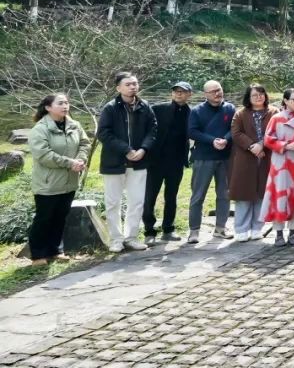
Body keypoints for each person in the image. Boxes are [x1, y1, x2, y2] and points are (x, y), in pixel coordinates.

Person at [97, 72, 157, 252]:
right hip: (114, 162)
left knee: (137, 201)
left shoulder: (145, 106)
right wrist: (126, 150)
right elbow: (103, 133)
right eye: (128, 84)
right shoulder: (110, 108)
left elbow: (153, 130)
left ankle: (131, 237)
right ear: (118, 88)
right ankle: (116, 239)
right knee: (113, 202)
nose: (132, 87)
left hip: (139, 161)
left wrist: (143, 149)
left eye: (135, 84)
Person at [27, 94, 90, 265]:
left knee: (60, 217)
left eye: (67, 103)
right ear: (48, 107)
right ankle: (38, 255)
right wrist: (70, 163)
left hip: (70, 181)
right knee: (44, 218)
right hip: (48, 183)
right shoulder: (40, 129)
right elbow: (44, 155)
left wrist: (81, 160)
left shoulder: (74, 125)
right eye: (60, 103)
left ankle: (55, 250)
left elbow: (85, 144)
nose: (65, 106)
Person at [261, 88, 294, 246]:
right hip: (280, 163)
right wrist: (285, 145)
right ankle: (278, 233)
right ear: (285, 101)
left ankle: (292, 232)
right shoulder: (276, 118)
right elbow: (268, 139)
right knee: (279, 194)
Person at [186, 80, 236, 243]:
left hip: (225, 157)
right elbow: (192, 131)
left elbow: (234, 128)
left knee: (224, 194)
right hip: (204, 157)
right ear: (205, 94)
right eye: (213, 91)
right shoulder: (197, 111)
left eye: (219, 89)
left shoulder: (230, 108)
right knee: (198, 195)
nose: (217, 93)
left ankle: (221, 228)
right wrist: (212, 140)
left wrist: (226, 139)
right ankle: (194, 231)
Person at [143, 81, 192, 246]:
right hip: (156, 160)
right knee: (150, 196)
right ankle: (149, 231)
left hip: (176, 161)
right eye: (176, 91)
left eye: (182, 91)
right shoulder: (158, 109)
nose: (178, 94)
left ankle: (168, 229)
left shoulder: (191, 113)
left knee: (171, 196)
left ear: (189, 94)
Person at [229, 84, 277, 242]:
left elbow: (276, 131)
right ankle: (241, 229)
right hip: (245, 158)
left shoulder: (274, 112)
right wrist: (252, 146)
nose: (259, 97)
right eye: (255, 95)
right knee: (244, 194)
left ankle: (257, 227)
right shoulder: (240, 114)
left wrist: (261, 145)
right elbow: (236, 133)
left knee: (262, 193)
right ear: (248, 98)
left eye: (261, 94)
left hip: (267, 156)